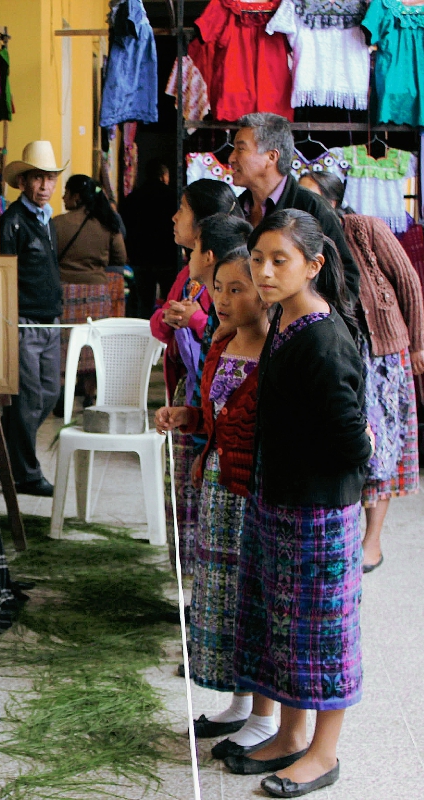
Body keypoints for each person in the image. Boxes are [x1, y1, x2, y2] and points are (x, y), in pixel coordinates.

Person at [227, 210, 370, 797]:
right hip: (280, 502)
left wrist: (354, 450)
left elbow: (352, 441)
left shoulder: (325, 339)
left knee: (323, 638)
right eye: (257, 258)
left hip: (317, 513)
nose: (263, 271)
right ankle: (290, 735)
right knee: (284, 630)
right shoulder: (286, 321)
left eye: (278, 260)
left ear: (313, 265)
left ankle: (323, 754)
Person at [155, 216, 281, 753]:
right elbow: (215, 416)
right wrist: (187, 417)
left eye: (236, 290)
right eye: (219, 289)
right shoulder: (222, 341)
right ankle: (240, 701)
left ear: (265, 294)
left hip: (252, 496)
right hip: (218, 491)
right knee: (223, 598)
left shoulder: (276, 350)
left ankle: (266, 715)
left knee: (253, 599)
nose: (223, 301)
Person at [299, 171, 424, 573]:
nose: (307, 207)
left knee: (381, 447)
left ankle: (372, 543)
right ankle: (345, 534)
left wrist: (418, 344)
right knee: (347, 442)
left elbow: (408, 281)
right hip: (342, 354)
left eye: (313, 198)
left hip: (382, 354)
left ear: (334, 202)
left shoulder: (365, 229)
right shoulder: (303, 243)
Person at [153, 179, 243, 575]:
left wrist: (196, 320)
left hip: (213, 418)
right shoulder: (189, 278)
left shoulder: (232, 296)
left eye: (183, 210)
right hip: (195, 405)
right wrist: (172, 317)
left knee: (211, 512)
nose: (174, 218)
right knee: (189, 499)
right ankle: (189, 579)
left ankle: (198, 579)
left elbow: (224, 345)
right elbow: (159, 325)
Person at [229, 113, 362, 330]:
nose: (231, 158)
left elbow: (347, 278)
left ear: (271, 156)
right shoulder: (234, 209)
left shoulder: (311, 207)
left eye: (240, 149)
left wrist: (305, 325)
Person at [0, 140, 68, 497]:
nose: (44, 186)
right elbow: (5, 277)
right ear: (23, 181)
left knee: (49, 394)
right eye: (37, 178)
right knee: (27, 401)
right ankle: (26, 473)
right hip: (24, 323)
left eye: (50, 178)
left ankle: (5, 456)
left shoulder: (47, 220)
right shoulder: (12, 222)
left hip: (49, 321)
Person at [54, 174, 130, 404]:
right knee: (92, 345)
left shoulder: (57, 223)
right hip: (97, 293)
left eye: (66, 193)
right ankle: (90, 393)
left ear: (76, 196)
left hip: (65, 292)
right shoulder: (107, 223)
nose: (63, 197)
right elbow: (120, 256)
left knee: (65, 344)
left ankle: (63, 393)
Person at [121, 160, 180, 318]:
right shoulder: (172, 197)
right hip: (166, 256)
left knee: (144, 302)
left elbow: (126, 228)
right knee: (170, 300)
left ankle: (146, 327)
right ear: (163, 176)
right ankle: (166, 329)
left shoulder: (133, 198)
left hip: (141, 257)